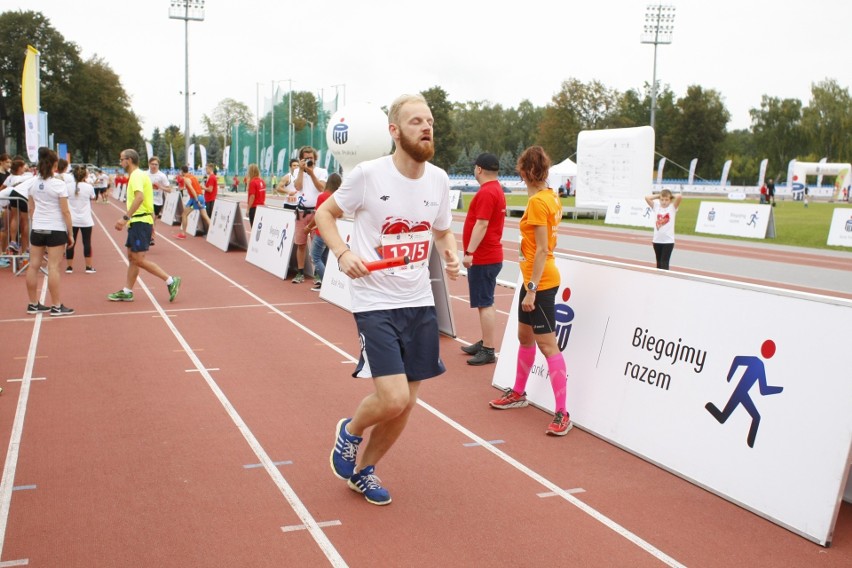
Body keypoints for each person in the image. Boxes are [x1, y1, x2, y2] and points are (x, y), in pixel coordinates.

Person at [317, 93, 460, 505]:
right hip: (375, 301)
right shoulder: (367, 175)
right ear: (394, 132)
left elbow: (442, 230)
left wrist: (450, 251)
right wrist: (343, 254)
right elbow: (325, 215)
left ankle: (364, 471)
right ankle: (350, 431)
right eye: (415, 121)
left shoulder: (440, 179)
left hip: (419, 301)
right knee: (393, 397)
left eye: (429, 120)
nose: (426, 127)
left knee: (407, 404)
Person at [488, 145, 572, 437]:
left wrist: (532, 290)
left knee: (548, 346)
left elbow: (542, 250)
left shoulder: (538, 203)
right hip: (533, 279)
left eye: (521, 171)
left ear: (526, 172)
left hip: (541, 282)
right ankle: (519, 393)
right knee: (524, 337)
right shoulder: (550, 196)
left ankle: (563, 412)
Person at [108, 149, 181, 303]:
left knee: (138, 259)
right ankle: (127, 291)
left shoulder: (136, 176)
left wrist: (124, 218)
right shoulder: (139, 175)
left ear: (129, 160)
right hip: (139, 222)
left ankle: (170, 280)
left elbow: (140, 198)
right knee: (132, 258)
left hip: (140, 222)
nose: (120, 162)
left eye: (121, 159)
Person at [461, 152, 506, 366]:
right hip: (489, 255)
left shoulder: (487, 192)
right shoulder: (496, 189)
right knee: (484, 302)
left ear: (478, 169)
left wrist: (469, 252)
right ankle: (485, 341)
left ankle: (488, 349)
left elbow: (482, 224)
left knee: (485, 302)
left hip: (484, 256)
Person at [25, 148, 75, 316]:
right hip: (55, 229)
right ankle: (56, 305)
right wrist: (71, 233)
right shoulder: (59, 184)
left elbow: (31, 207)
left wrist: (38, 220)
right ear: (55, 164)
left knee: (33, 266)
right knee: (53, 267)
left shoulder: (32, 182)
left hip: (38, 228)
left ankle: (33, 304)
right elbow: (65, 211)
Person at [291, 146, 328, 284]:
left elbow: (321, 188)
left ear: (315, 159)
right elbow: (298, 187)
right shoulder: (297, 171)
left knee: (316, 245)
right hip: (301, 212)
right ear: (301, 159)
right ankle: (300, 273)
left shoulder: (321, 171)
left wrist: (311, 173)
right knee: (300, 244)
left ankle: (317, 274)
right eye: (305, 158)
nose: (308, 161)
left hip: (316, 212)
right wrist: (301, 169)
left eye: (311, 158)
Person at [304, 172, 342, 291]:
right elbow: (339, 215)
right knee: (323, 257)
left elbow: (318, 216)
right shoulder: (337, 197)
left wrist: (309, 227)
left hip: (322, 232)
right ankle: (322, 282)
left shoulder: (322, 196)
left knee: (314, 257)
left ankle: (325, 282)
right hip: (331, 231)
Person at [65, 165, 97, 274]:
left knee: (70, 242)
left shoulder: (68, 186)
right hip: (85, 219)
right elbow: (93, 197)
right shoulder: (89, 187)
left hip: (72, 220)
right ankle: (88, 267)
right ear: (85, 176)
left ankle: (69, 267)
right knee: (87, 242)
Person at [644, 188, 682, 270]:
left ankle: (665, 281)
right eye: (662, 200)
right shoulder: (656, 207)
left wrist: (670, 195)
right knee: (658, 264)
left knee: (664, 264)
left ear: (670, 200)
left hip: (668, 241)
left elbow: (679, 197)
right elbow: (647, 198)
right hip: (657, 240)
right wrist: (659, 195)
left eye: (666, 200)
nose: (664, 202)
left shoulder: (672, 208)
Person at [175, 165, 211, 239]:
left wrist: (196, 200)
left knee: (184, 214)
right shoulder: (193, 176)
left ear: (182, 171)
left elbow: (192, 189)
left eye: (180, 171)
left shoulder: (186, 178)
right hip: (201, 197)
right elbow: (192, 186)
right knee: (205, 216)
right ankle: (214, 232)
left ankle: (183, 234)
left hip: (195, 199)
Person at [245, 163, 266, 227]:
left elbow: (252, 196)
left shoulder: (253, 182)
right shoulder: (262, 181)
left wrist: (248, 209)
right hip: (261, 207)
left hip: (254, 208)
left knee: (254, 228)